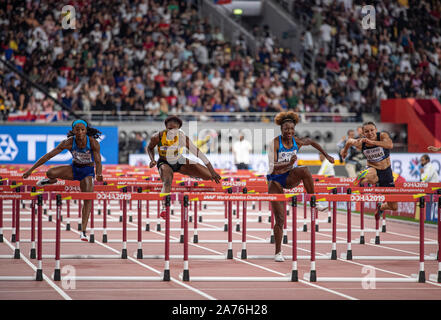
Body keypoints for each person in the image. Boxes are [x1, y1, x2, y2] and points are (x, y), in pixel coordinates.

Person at [267, 111, 334, 262]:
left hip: (289, 177)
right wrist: (288, 163)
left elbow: (312, 142)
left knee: (304, 170)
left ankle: (314, 201)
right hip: (275, 180)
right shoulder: (275, 143)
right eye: (286, 129)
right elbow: (272, 167)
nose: (289, 132)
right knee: (280, 218)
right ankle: (278, 252)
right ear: (281, 130)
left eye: (291, 129)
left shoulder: (297, 141)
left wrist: (327, 155)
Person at [22, 119, 103, 242]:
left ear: (86, 131)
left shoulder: (93, 143)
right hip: (74, 169)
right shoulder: (68, 142)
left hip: (87, 171)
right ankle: (51, 180)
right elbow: (48, 156)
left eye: (82, 130)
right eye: (77, 130)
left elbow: (98, 161)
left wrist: (99, 174)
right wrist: (31, 170)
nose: (80, 132)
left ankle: (83, 232)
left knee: (87, 198)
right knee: (50, 172)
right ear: (73, 131)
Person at [147, 115, 221, 218]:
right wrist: (152, 160)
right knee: (167, 181)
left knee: (209, 176)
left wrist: (212, 171)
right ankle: (164, 207)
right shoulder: (157, 136)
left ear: (178, 129)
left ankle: (193, 174)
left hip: (179, 160)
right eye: (169, 129)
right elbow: (149, 148)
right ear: (165, 127)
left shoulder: (182, 138)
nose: (171, 132)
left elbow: (198, 153)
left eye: (174, 129)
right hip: (164, 162)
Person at [340, 121, 397, 219]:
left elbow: (390, 145)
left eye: (372, 130)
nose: (370, 133)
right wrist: (344, 151)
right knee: (373, 176)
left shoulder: (382, 136)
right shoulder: (361, 143)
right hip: (372, 168)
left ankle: (381, 207)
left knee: (394, 207)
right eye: (366, 131)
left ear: (376, 130)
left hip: (386, 172)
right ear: (363, 133)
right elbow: (349, 141)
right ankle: (363, 177)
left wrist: (373, 142)